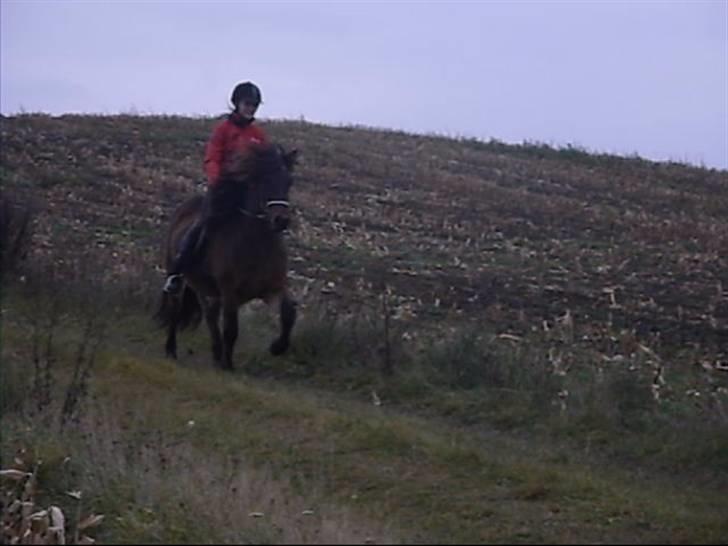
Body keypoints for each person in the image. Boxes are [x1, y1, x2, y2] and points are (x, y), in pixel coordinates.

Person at [162, 81, 269, 294]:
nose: (251, 109)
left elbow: (266, 164)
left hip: (248, 194)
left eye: (254, 105)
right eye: (248, 104)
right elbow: (212, 158)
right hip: (224, 191)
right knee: (202, 223)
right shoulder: (223, 130)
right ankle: (178, 271)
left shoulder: (258, 135)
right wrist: (217, 181)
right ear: (237, 104)